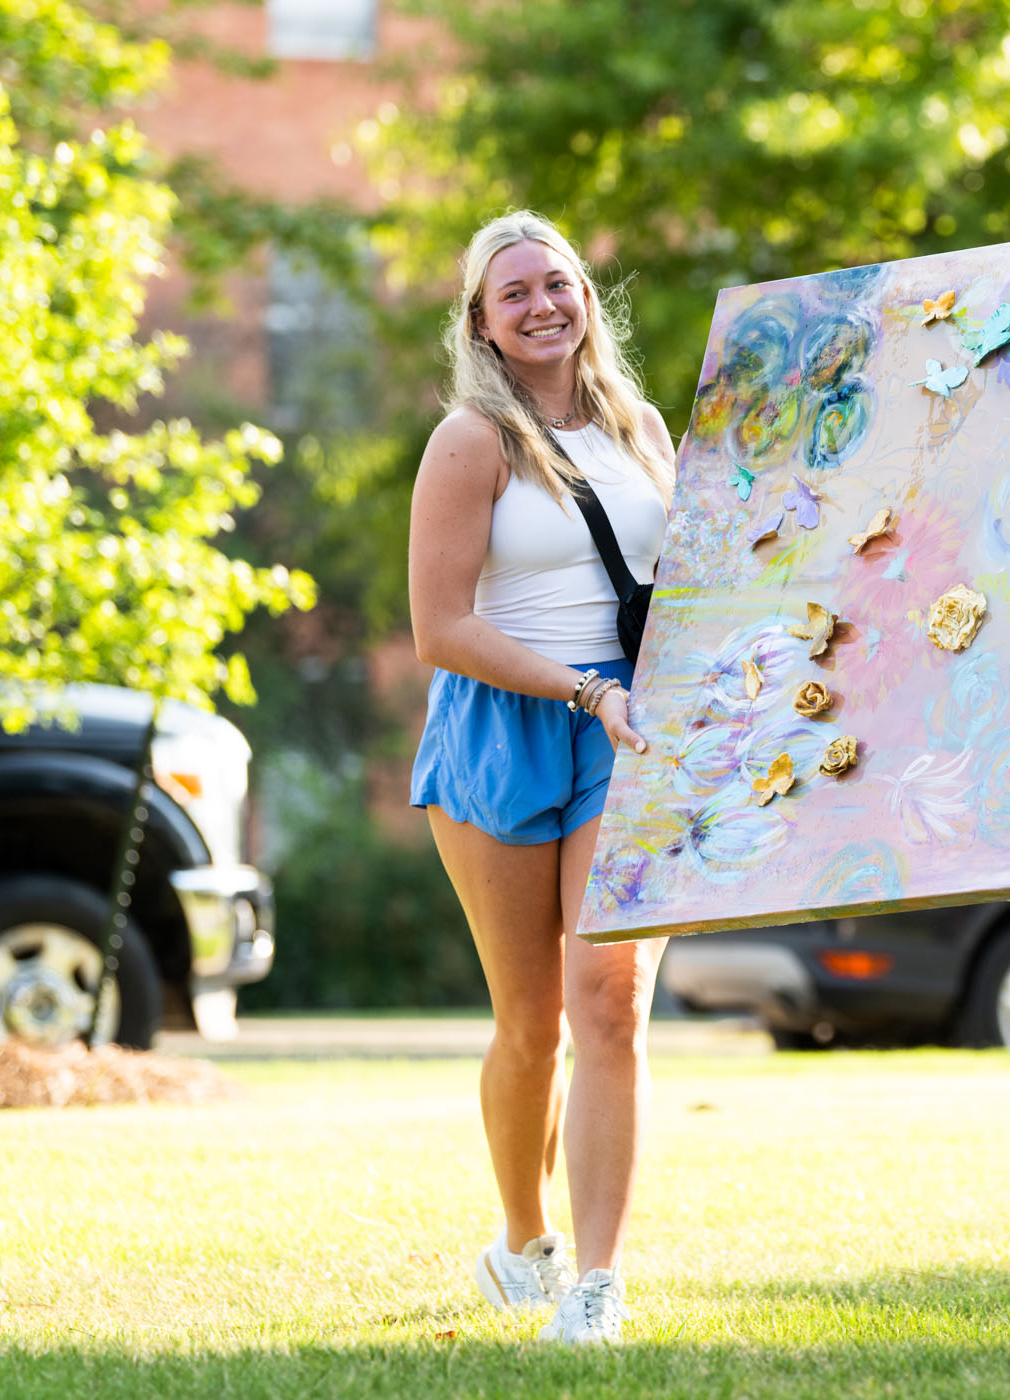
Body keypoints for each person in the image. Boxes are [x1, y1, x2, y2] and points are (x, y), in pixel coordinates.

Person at [407, 211, 676, 1345]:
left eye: (556, 284)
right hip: (505, 723)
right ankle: (523, 1239)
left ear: (585, 298)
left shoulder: (643, 427)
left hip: (630, 735)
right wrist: (581, 687)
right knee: (532, 1023)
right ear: (481, 321)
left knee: (608, 999)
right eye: (512, 293)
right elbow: (439, 626)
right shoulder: (472, 442)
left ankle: (599, 1285)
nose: (541, 305)